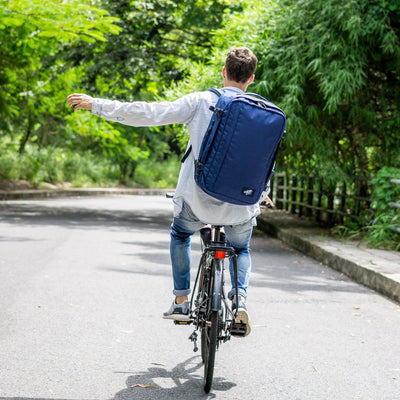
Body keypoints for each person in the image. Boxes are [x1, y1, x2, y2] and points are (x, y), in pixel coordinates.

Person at [68, 47, 269, 337]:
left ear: (224, 73)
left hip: (196, 202)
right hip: (240, 205)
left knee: (180, 234)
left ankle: (181, 300)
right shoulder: (261, 113)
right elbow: (264, 159)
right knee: (241, 248)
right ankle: (239, 299)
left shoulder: (200, 102)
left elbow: (149, 112)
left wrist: (97, 105)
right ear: (251, 79)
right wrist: (264, 191)